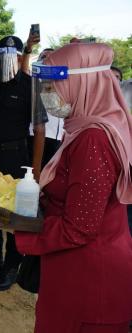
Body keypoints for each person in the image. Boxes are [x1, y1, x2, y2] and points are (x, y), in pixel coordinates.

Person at [16, 43, 132, 333]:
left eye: (53, 86)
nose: (47, 95)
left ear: (83, 83)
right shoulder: (87, 126)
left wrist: (19, 224)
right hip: (77, 265)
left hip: (89, 278)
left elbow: (79, 227)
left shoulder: (94, 140)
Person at [0, 35, 47, 291]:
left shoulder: (30, 85)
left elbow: (39, 130)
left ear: (15, 57)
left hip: (15, 158)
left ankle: (12, 266)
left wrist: (35, 170)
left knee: (14, 219)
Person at [28, 48, 64, 168]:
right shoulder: (31, 80)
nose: (46, 59)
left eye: (50, 57)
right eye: (43, 57)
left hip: (56, 139)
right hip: (32, 136)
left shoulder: (65, 82)